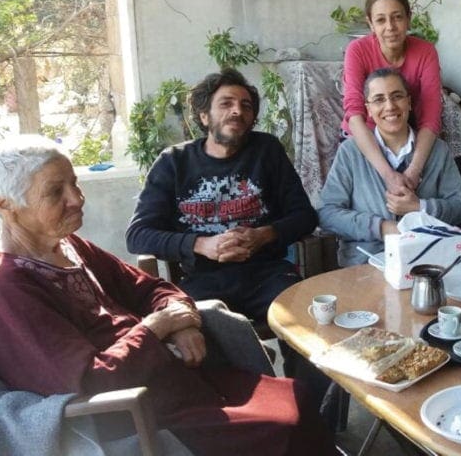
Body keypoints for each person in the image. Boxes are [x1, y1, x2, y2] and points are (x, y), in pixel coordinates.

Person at [0, 135, 337, 456]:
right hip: (133, 417)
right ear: (4, 205)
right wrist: (156, 328)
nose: (77, 198)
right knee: (283, 426)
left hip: (176, 381)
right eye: (56, 192)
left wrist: (182, 323)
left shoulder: (69, 245)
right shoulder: (2, 290)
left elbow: (150, 287)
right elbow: (88, 381)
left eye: (75, 182)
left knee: (297, 396)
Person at [125, 69, 317, 381]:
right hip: (203, 280)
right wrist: (202, 245)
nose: (237, 110)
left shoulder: (266, 151)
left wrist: (263, 235)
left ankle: (314, 415)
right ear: (204, 116)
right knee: (198, 338)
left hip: (267, 275)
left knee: (311, 324)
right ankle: (247, 413)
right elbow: (138, 235)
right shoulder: (174, 162)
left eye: (246, 105)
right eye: (226, 103)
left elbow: (305, 216)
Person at [320, 68, 461, 266]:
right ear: (368, 110)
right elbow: (327, 213)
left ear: (409, 102)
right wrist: (381, 228)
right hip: (365, 265)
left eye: (397, 96)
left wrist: (420, 208)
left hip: (427, 263)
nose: (390, 106)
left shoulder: (437, 151)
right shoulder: (351, 152)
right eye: (379, 100)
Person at [342, 0, 443, 195]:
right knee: (370, 199)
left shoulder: (425, 52)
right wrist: (387, 174)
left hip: (405, 133)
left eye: (397, 17)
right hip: (366, 135)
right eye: (380, 20)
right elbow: (354, 112)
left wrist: (414, 170)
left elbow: (431, 114)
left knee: (421, 194)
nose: (390, 27)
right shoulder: (357, 51)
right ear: (370, 23)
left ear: (408, 18)